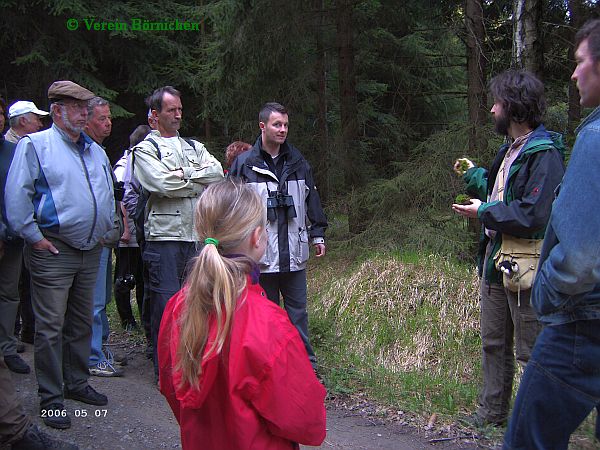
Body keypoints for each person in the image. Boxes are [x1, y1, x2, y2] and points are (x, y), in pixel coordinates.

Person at [158, 179, 326, 450]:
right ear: (257, 237)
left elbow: (173, 387)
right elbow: (308, 421)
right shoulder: (269, 323)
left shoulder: (178, 306)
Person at [503, 19, 600, 449]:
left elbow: (578, 254)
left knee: (528, 439)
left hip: (581, 321)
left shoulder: (591, 140)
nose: (575, 73)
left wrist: (548, 288)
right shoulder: (508, 152)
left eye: (581, 62)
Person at [452, 70, 565, 427]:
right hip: (495, 263)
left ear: (514, 109)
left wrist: (484, 212)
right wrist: (476, 178)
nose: (491, 110)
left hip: (527, 270)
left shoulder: (544, 155)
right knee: (493, 343)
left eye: (497, 103)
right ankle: (491, 414)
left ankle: (537, 424)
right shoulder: (510, 151)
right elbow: (504, 196)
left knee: (531, 351)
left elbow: (533, 214)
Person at [4, 80, 114, 430]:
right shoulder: (37, 146)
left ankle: (77, 383)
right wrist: (33, 237)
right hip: (53, 248)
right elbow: (16, 194)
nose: (85, 113)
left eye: (86, 108)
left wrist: (105, 232)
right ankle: (51, 399)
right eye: (78, 108)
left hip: (90, 249)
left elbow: (107, 192)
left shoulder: (94, 149)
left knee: (81, 321)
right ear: (57, 110)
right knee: (50, 327)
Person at [132, 86, 223, 377]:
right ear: (156, 115)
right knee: (166, 304)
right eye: (172, 110)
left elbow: (218, 173)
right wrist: (196, 180)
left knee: (195, 303)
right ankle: (165, 369)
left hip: (195, 237)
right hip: (164, 238)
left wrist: (182, 175)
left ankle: (190, 365)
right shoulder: (146, 149)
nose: (178, 115)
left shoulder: (194, 147)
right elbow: (159, 184)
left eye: (180, 109)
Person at [229, 102, 328, 370]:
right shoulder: (244, 165)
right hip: (261, 255)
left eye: (285, 125)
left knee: (298, 315)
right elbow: (231, 207)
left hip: (294, 254)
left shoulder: (298, 162)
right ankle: (268, 369)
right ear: (263, 126)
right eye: (277, 125)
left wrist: (318, 234)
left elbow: (312, 199)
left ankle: (305, 368)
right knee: (264, 317)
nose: (283, 130)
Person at [84, 96, 125, 377]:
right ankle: (92, 355)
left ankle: (100, 347)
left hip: (105, 239)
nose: (108, 123)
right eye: (102, 118)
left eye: (109, 117)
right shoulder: (84, 152)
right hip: (92, 239)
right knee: (94, 301)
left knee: (103, 297)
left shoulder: (99, 151)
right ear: (86, 121)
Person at [113, 125, 150, 338]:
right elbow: (122, 200)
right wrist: (126, 229)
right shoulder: (124, 166)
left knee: (142, 278)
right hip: (127, 234)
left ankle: (141, 318)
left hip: (140, 232)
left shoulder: (140, 164)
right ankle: (126, 318)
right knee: (124, 277)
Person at [0, 130, 29, 374]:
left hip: (11, 239)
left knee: (9, 295)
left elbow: (20, 191)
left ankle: (7, 349)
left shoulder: (13, 151)